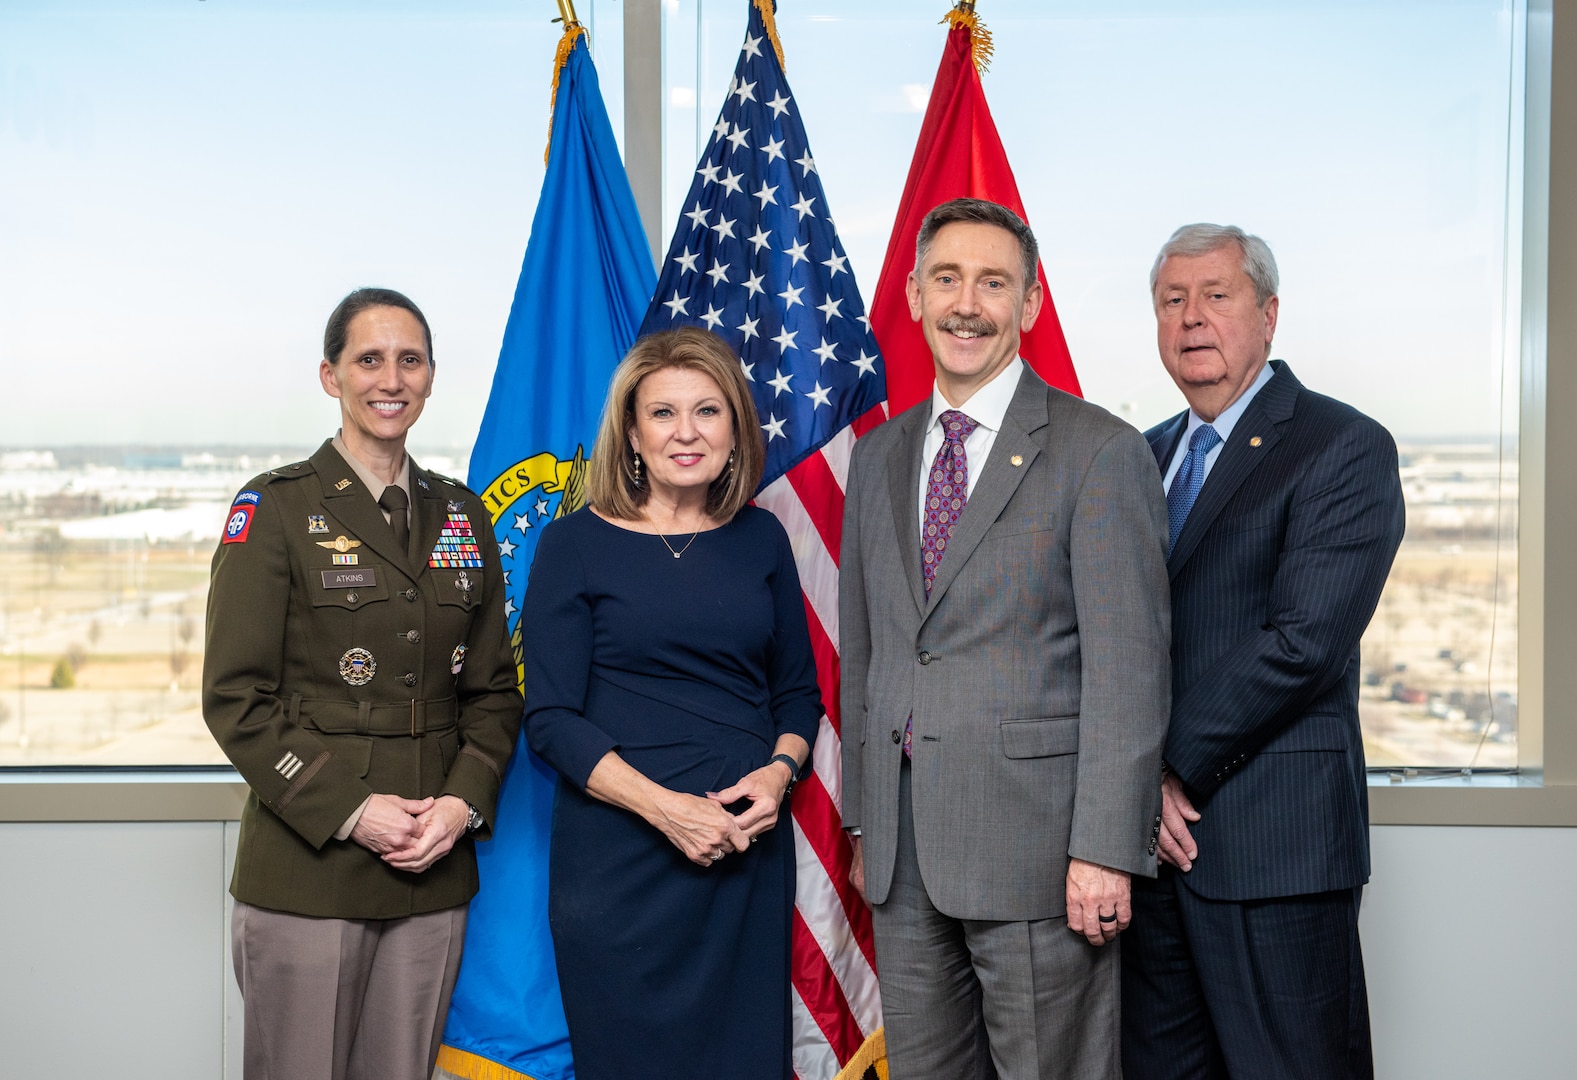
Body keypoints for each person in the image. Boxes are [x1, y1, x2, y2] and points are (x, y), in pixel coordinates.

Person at [839, 197, 1172, 1079]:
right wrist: (864, 814)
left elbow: (1127, 673)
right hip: (902, 854)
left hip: (1040, 853)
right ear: (912, 295)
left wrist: (1104, 847)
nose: (966, 303)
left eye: (993, 283)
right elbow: (870, 650)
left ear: (1028, 305)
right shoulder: (879, 458)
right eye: (946, 279)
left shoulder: (1098, 451)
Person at [202, 287, 522, 1080]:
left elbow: (492, 691)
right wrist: (350, 810)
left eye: (409, 360)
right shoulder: (275, 508)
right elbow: (235, 697)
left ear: (431, 377)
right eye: (369, 359)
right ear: (330, 376)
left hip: (432, 863)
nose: (391, 378)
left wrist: (461, 803)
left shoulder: (461, 514)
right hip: (308, 869)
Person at [1121, 225, 1406, 1079]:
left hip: (1270, 846)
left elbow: (1302, 643)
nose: (1191, 318)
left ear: (1268, 313)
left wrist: (1159, 771)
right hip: (1146, 857)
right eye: (1172, 301)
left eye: (1216, 295)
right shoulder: (1139, 458)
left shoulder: (1341, 445)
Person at [522, 326, 822, 1079]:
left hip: (740, 857)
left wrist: (777, 776)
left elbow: (797, 693)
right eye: (662, 413)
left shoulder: (762, 539)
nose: (685, 432)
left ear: (734, 428)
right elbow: (549, 720)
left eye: (707, 411)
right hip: (618, 863)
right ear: (629, 432)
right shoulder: (572, 544)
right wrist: (666, 810)